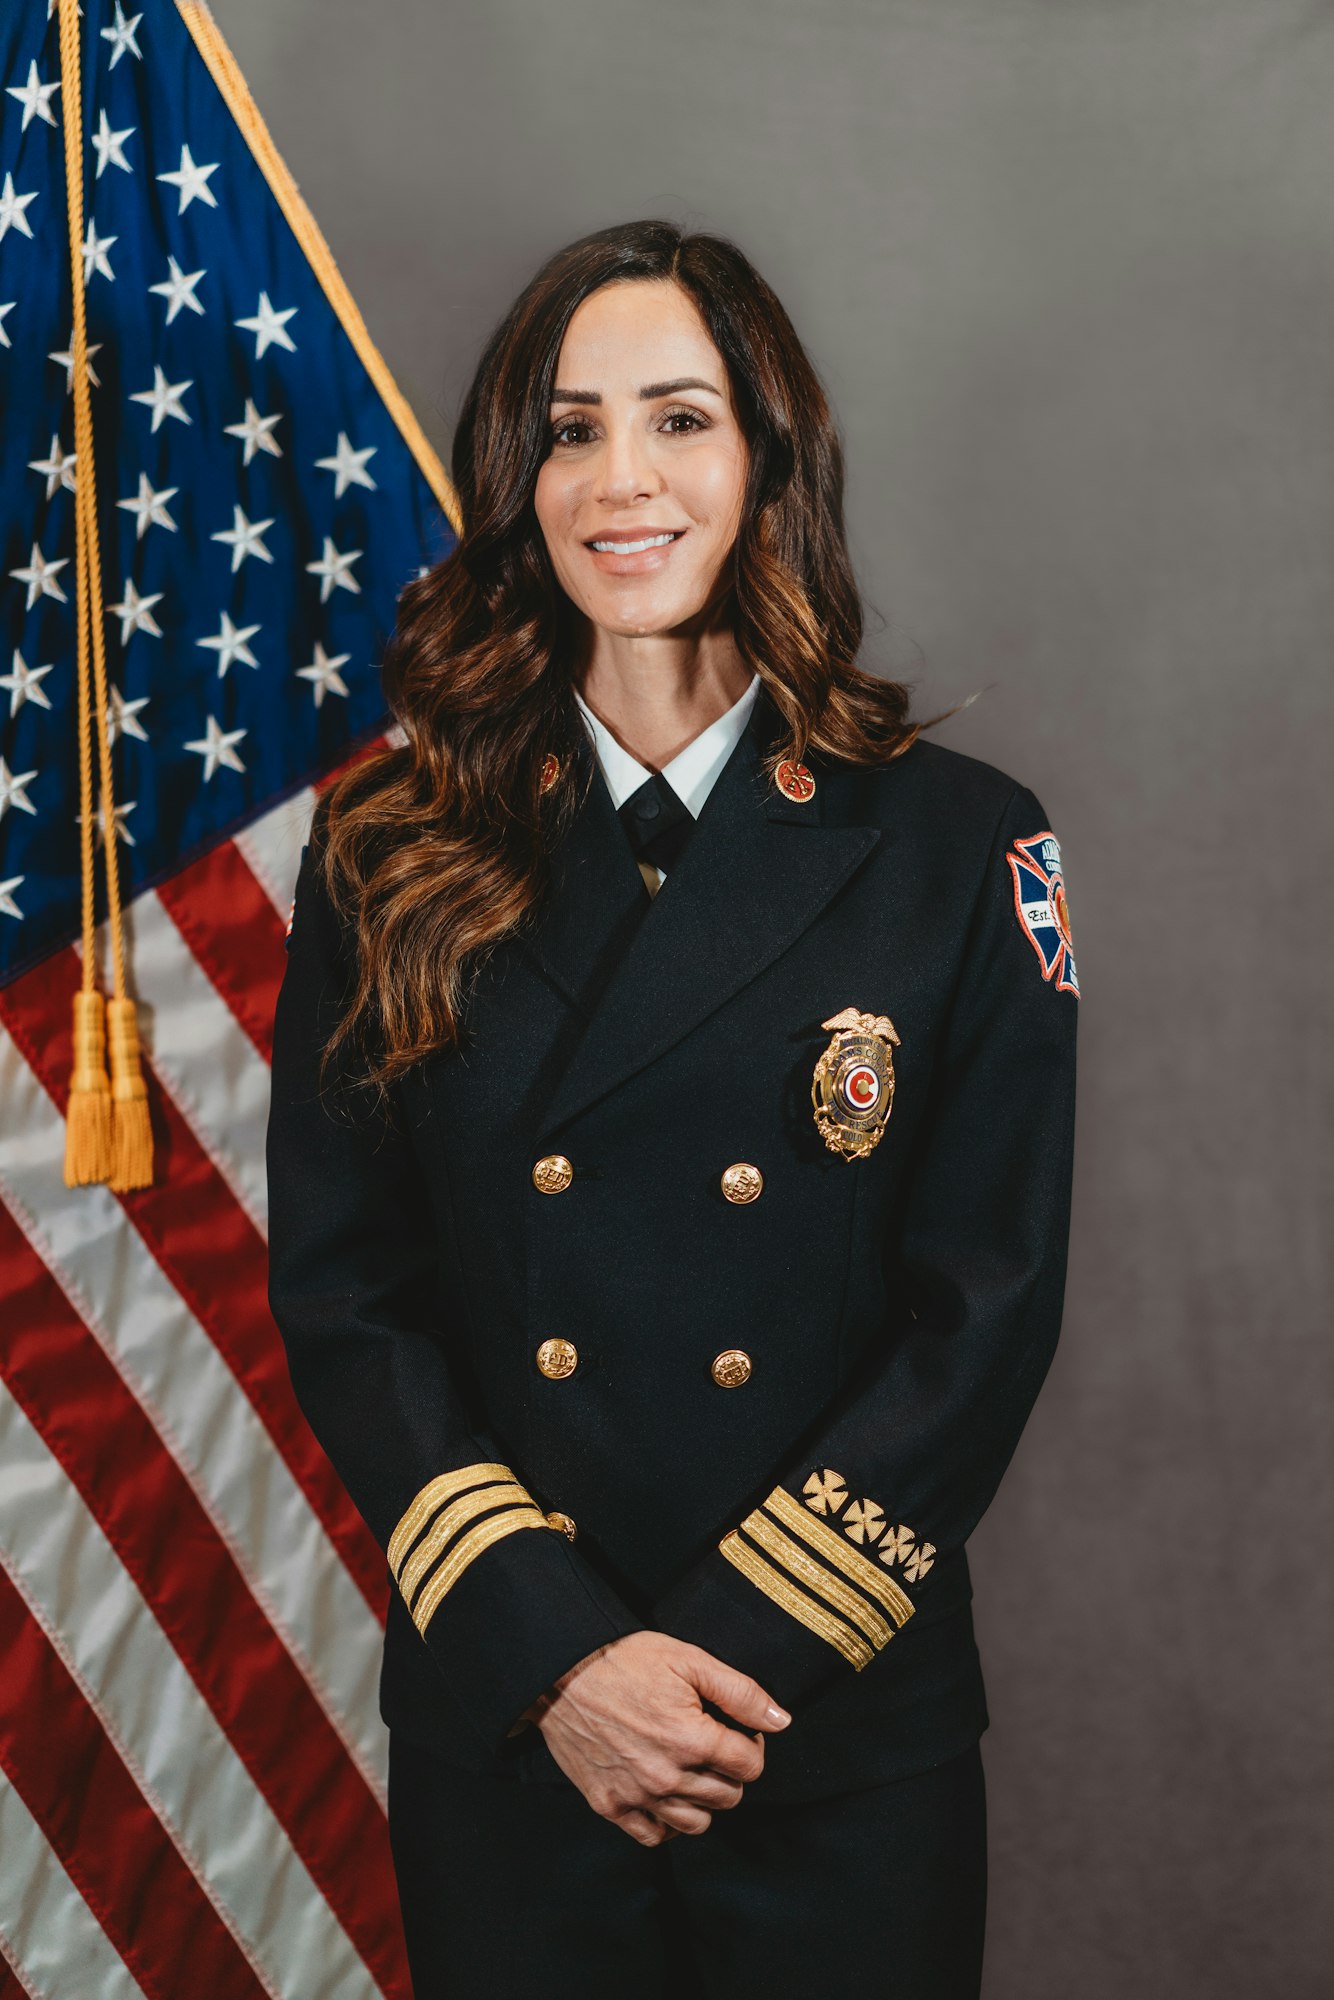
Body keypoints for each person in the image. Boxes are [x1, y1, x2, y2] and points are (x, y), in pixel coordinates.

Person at [266, 218, 1079, 1999]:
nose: (620, 479)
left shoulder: (958, 846)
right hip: (520, 1725)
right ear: (517, 479)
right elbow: (348, 1299)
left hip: (824, 1726)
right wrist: (567, 1667)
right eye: (569, 430)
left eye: (679, 418)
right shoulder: (387, 851)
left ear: (769, 457)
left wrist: (714, 1663)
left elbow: (984, 1309)